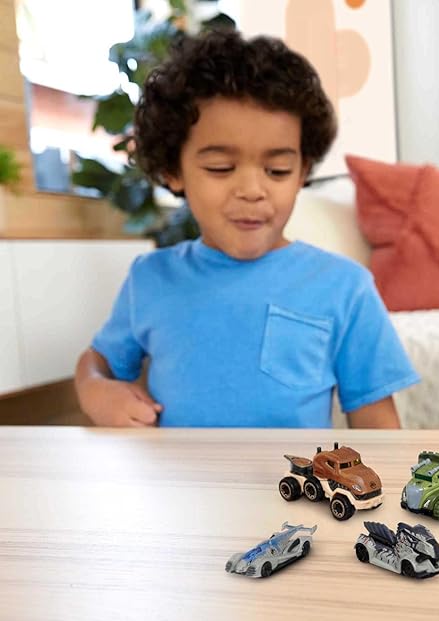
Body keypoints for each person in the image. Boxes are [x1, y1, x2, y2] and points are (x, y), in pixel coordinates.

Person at [75, 29, 419, 428]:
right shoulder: (150, 279)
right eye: (221, 168)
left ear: (302, 172)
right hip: (181, 470)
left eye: (278, 170)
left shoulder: (345, 287)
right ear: (173, 170)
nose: (253, 190)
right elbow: (96, 362)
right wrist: (96, 391)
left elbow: (379, 428)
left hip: (296, 472)